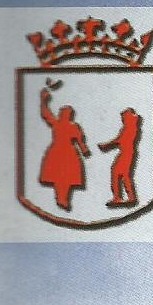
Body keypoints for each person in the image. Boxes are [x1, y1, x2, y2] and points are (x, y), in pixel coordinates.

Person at [37, 84, 90, 213]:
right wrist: (43, 100)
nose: (62, 114)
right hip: (57, 151)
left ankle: (63, 198)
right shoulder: (57, 123)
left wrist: (84, 150)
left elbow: (79, 141)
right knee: (57, 176)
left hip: (68, 153)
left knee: (66, 177)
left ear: (68, 115)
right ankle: (60, 198)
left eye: (65, 113)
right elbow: (45, 113)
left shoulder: (73, 127)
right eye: (62, 112)